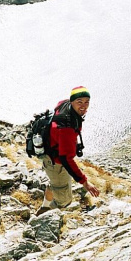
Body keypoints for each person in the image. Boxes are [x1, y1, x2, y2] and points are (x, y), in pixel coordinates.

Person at [37, 86, 100, 216]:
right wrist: (85, 183)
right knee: (64, 201)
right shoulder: (66, 127)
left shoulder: (64, 104)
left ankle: (44, 207)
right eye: (79, 102)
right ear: (72, 102)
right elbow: (66, 158)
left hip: (50, 155)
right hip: (56, 163)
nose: (84, 106)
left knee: (55, 185)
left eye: (86, 101)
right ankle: (42, 219)